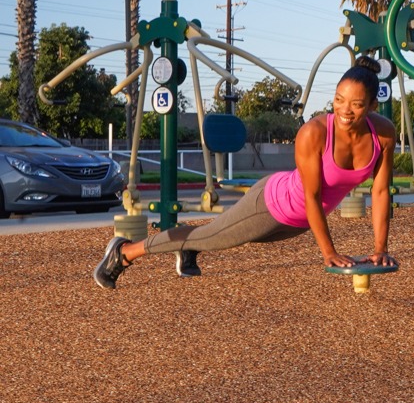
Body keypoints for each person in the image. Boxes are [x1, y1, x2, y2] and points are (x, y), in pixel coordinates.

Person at [94, 56, 397, 289]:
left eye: (356, 104)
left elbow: (381, 191)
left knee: (219, 236)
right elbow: (312, 194)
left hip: (303, 221)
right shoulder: (314, 133)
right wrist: (329, 252)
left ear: (372, 104)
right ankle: (124, 251)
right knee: (215, 236)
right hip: (272, 204)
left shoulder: (383, 134)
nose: (345, 110)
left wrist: (380, 249)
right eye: (339, 100)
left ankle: (189, 245)